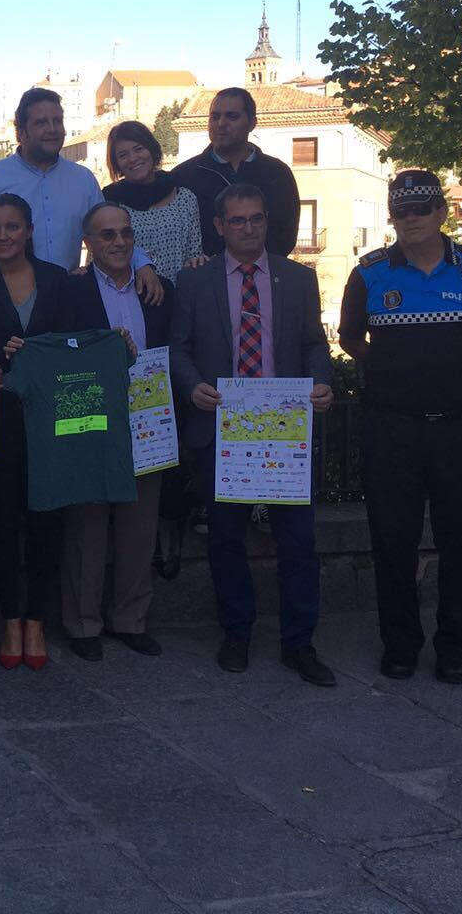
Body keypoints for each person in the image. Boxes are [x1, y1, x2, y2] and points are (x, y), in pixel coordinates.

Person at [339, 169, 462, 684]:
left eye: (422, 208)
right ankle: (399, 645)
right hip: (392, 431)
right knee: (391, 543)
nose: (412, 218)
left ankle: (454, 649)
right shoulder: (369, 274)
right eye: (402, 210)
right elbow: (351, 340)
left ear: (442, 212)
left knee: (461, 544)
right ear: (391, 216)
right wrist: (393, 375)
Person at [169, 183, 335, 684]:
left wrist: (321, 382)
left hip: (285, 432)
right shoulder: (193, 281)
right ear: (219, 226)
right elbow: (178, 348)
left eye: (257, 218)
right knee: (226, 540)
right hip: (222, 431)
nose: (248, 228)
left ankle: (300, 643)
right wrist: (192, 386)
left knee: (298, 543)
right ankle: (236, 633)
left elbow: (314, 344)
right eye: (237, 220)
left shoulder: (298, 278)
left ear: (267, 221)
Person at [0, 194, 72, 670]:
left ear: (28, 231)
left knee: (47, 517)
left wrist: (39, 355)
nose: (2, 236)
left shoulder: (58, 279)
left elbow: (70, 344)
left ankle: (37, 621)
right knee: (2, 518)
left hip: (48, 416)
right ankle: (10, 620)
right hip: (0, 416)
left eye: (12, 227)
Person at [58, 203, 174, 660]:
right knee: (86, 528)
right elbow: (59, 350)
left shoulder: (158, 289)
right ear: (88, 243)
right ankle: (83, 624)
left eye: (126, 232)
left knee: (140, 528)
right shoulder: (69, 291)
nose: (119, 241)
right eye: (107, 235)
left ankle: (130, 619)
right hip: (91, 422)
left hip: (148, 424)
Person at [0, 87, 164, 305]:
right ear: (22, 132)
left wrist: (141, 263)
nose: (52, 129)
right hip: (5, 303)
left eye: (57, 121)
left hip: (68, 302)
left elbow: (108, 234)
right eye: (41, 122)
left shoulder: (83, 180)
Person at [169, 87, 301, 259]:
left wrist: (252, 267)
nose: (221, 124)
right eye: (215, 117)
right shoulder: (183, 177)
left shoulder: (277, 174)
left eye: (232, 116)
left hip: (264, 273)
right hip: (205, 274)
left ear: (252, 123)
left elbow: (286, 234)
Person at [102, 120, 205, 276]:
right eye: (123, 155)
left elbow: (194, 255)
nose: (133, 158)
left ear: (151, 149)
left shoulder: (184, 198)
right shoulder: (110, 203)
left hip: (178, 289)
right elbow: (102, 258)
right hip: (129, 289)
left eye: (138, 149)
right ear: (116, 163)